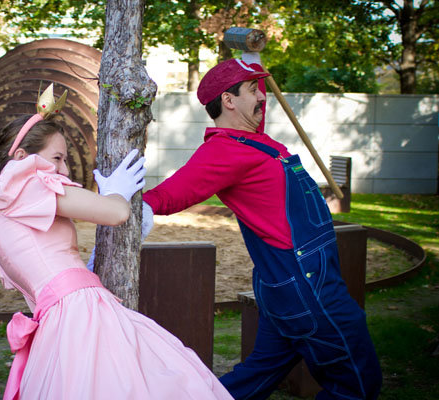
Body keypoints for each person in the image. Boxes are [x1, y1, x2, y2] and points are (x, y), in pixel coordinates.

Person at [141, 56, 383, 399]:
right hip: (304, 283)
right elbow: (172, 193)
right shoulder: (223, 150)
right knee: (357, 382)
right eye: (253, 89)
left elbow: (259, 108)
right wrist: (129, 204)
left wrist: (251, 65)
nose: (262, 97)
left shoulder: (257, 142)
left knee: (254, 378)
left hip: (290, 285)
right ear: (228, 100)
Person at [0, 85, 233, 400]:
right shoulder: (23, 181)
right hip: (78, 312)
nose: (64, 170)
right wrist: (116, 192)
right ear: (20, 157)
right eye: (57, 158)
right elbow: (115, 212)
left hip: (59, 317)